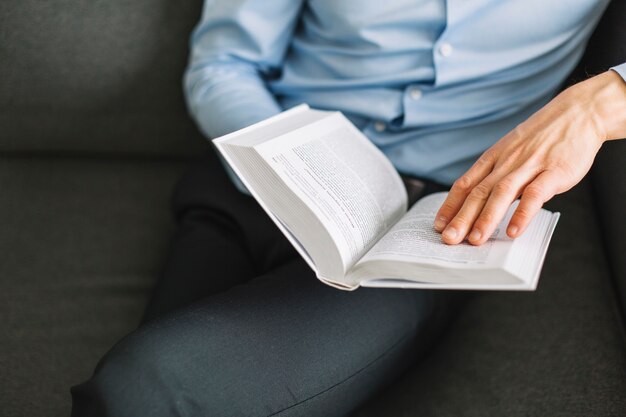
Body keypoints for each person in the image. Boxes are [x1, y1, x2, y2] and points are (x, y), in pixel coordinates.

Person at [71, 1, 626, 416]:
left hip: (432, 224)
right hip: (257, 183)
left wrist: (601, 103)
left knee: (144, 386)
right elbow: (224, 63)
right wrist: (282, 164)